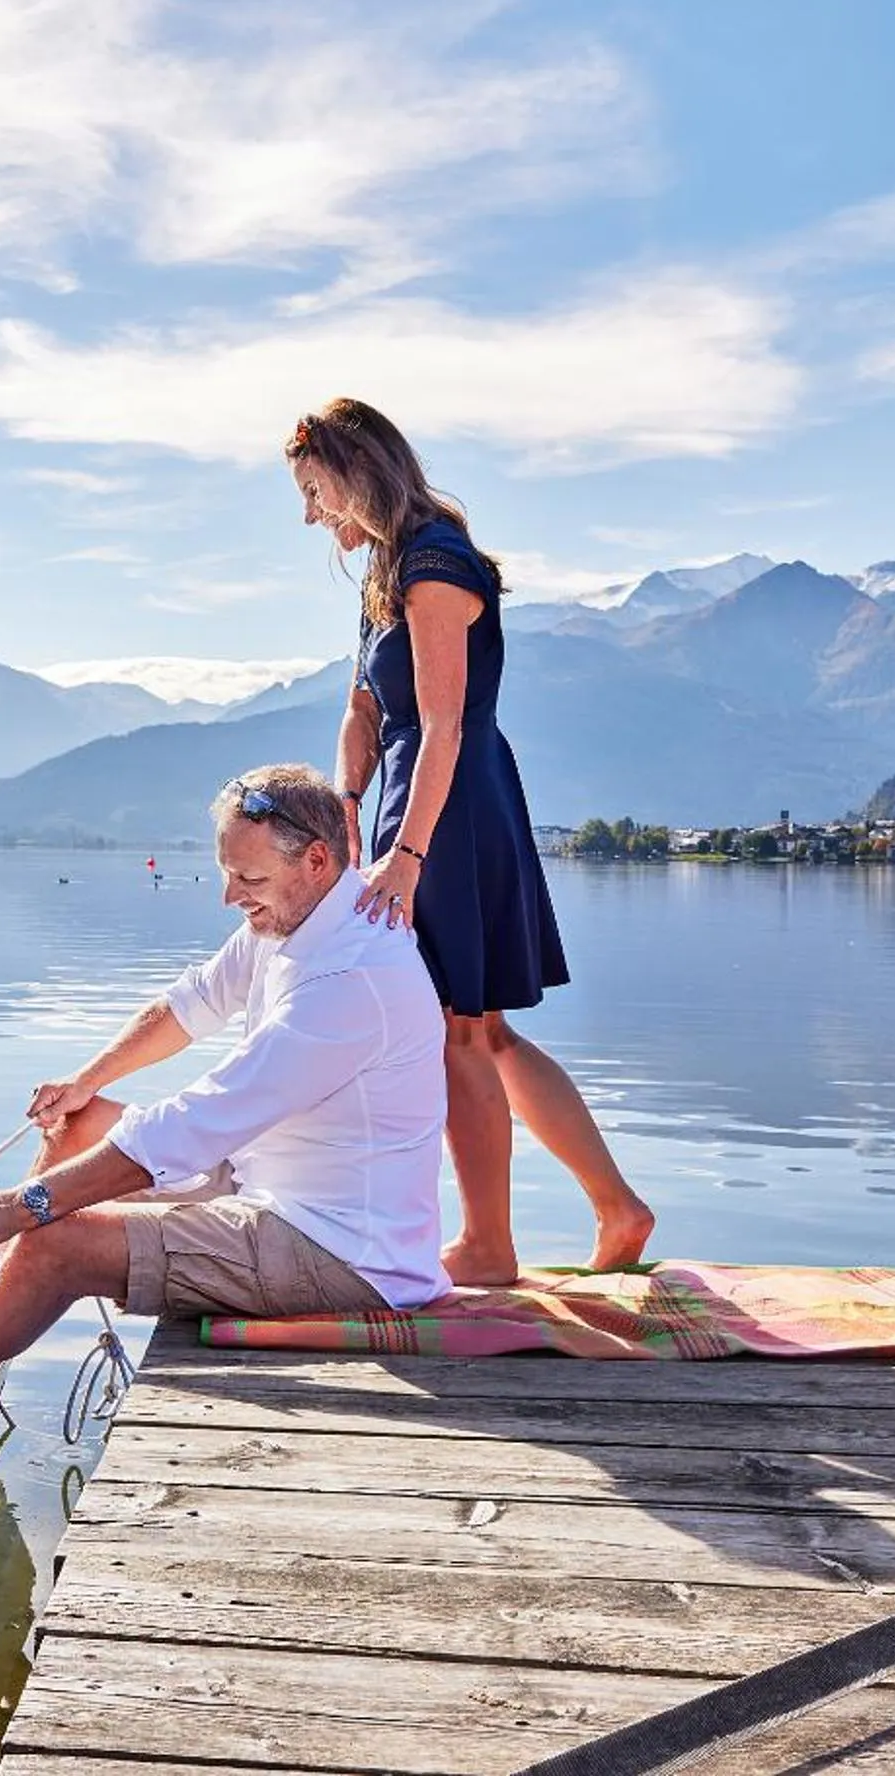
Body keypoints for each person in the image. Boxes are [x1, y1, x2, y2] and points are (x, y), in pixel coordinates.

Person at [0, 765, 449, 1471]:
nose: (229, 896)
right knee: (79, 1124)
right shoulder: (296, 916)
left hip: (342, 1254)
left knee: (55, 1244)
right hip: (263, 1186)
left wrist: (23, 1206)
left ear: (315, 858)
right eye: (227, 873)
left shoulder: (350, 979)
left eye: (248, 880)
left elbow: (194, 1123)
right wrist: (83, 1083)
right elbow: (187, 1006)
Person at [286, 397, 654, 1283]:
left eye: (312, 491)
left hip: (451, 809)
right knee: (482, 1031)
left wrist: (406, 858)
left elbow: (443, 726)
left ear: (353, 471)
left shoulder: (433, 563)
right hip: (417, 802)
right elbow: (363, 708)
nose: (307, 515)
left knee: (459, 1028)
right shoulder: (383, 576)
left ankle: (489, 1247)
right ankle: (619, 1209)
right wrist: (345, 800)